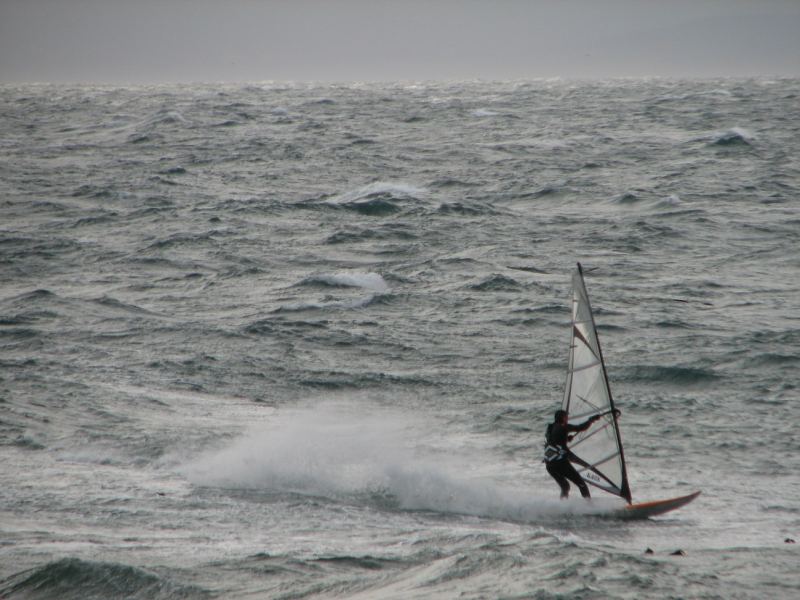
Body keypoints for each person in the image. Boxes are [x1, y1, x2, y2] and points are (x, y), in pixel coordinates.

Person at [543, 409, 602, 499]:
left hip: (549, 465)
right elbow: (581, 428)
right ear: (563, 418)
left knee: (565, 486)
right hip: (561, 464)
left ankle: (563, 506)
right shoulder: (564, 427)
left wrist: (566, 439)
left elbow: (554, 441)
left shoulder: (550, 428)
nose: (567, 418)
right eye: (566, 417)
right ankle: (589, 507)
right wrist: (591, 420)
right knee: (581, 484)